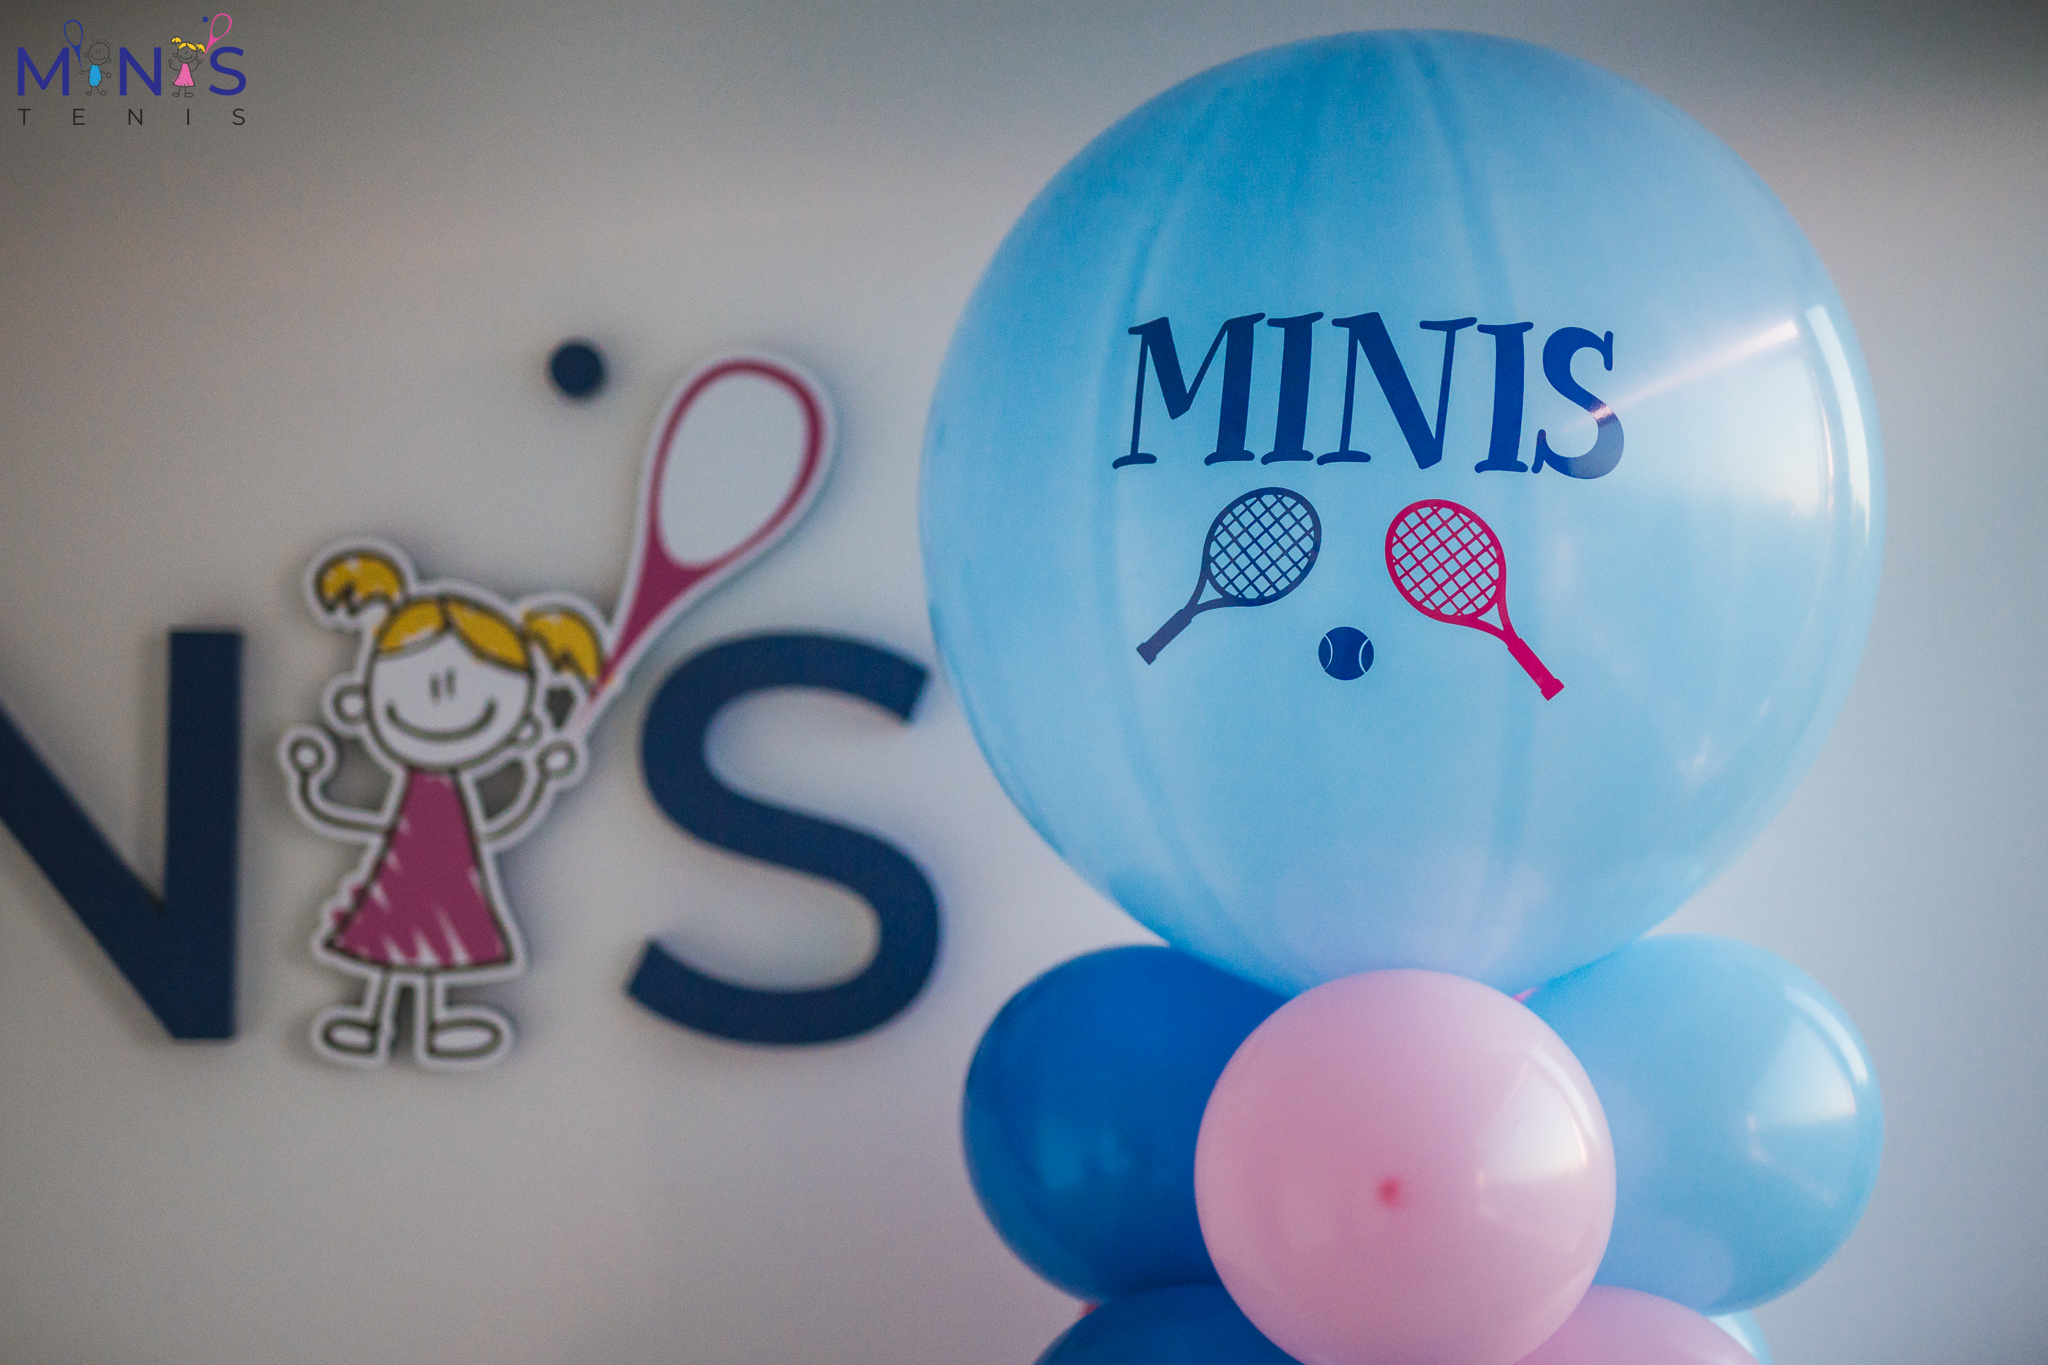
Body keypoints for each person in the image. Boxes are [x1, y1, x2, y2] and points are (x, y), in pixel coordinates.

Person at [280, 542, 603, 1070]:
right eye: (417, 685)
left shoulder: (456, 803)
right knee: (399, 948)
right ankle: (374, 1022)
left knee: (433, 951)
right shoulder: (414, 793)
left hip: (443, 886)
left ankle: (430, 1024)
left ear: (522, 725)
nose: (443, 695)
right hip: (402, 881)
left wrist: (541, 780)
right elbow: (358, 822)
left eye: (479, 699)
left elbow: (500, 827)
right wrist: (309, 784)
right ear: (358, 702)